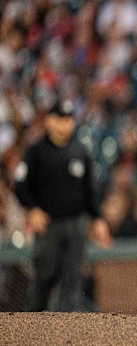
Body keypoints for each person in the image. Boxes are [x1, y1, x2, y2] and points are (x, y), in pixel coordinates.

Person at [13, 100, 111, 311]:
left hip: (75, 224)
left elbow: (89, 190)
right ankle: (35, 328)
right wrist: (31, 208)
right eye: (60, 118)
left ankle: (67, 336)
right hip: (48, 225)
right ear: (49, 121)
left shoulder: (79, 151)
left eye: (68, 119)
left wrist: (97, 218)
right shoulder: (36, 151)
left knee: (73, 279)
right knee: (44, 278)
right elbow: (20, 185)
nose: (64, 124)